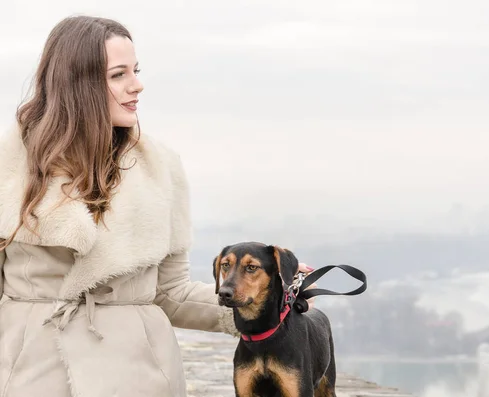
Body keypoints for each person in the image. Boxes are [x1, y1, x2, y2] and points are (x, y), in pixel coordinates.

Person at [0, 15, 314, 397]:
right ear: (76, 85)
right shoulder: (9, 166)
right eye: (118, 75)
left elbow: (171, 292)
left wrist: (272, 297)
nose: (137, 85)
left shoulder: (160, 170)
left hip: (138, 376)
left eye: (136, 70)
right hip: (28, 372)